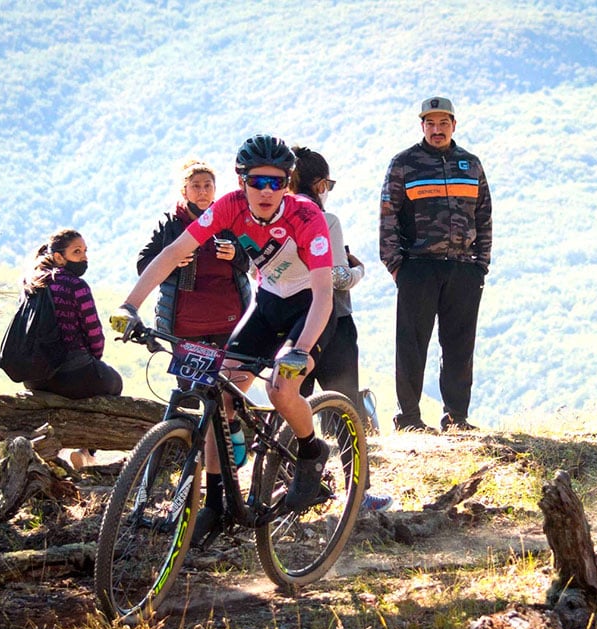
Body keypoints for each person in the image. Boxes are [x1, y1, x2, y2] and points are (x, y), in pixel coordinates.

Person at [110, 134, 335, 544]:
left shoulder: (307, 217)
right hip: (268, 303)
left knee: (282, 389)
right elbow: (172, 253)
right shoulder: (228, 207)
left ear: (288, 182)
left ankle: (310, 451)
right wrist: (130, 306)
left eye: (277, 182)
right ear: (241, 180)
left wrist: (300, 350)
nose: (266, 192)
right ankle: (215, 503)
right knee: (222, 392)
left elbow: (324, 293)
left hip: (308, 308)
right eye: (257, 182)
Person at [379, 96, 492, 433]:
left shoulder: (470, 164)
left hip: (463, 268)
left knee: (459, 345)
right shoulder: (403, 164)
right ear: (422, 126)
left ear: (454, 125)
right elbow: (387, 217)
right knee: (412, 344)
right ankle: (409, 419)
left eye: (444, 123)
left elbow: (484, 215)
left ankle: (457, 418)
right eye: (431, 123)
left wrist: (480, 264)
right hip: (418, 267)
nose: (437, 129)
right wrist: (396, 265)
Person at [290, 146, 392, 513]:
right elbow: (335, 276)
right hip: (333, 323)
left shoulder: (272, 217)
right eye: (327, 183)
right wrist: (359, 271)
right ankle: (358, 492)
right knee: (347, 408)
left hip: (288, 324)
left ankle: (290, 486)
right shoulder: (325, 218)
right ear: (318, 184)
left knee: (290, 405)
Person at [135, 159, 253, 465]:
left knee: (229, 387)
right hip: (185, 324)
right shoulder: (171, 225)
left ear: (216, 189)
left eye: (208, 185)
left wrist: (236, 254)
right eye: (196, 186)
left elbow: (256, 257)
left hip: (229, 319)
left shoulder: (229, 220)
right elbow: (143, 264)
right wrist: (172, 262)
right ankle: (191, 456)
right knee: (191, 392)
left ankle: (232, 447)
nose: (202, 191)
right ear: (184, 190)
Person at [24, 229, 123, 467]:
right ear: (59, 257)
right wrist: (94, 362)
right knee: (114, 383)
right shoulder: (76, 285)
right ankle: (86, 451)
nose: (84, 257)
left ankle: (53, 452)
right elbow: (94, 334)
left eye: (85, 251)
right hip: (74, 375)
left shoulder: (32, 284)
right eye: (77, 252)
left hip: (35, 377)